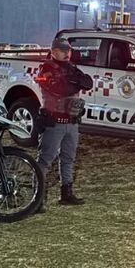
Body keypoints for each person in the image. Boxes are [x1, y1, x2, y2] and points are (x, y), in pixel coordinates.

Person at [36, 38, 93, 207]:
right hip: (54, 121)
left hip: (72, 121)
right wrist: (76, 83)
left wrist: (73, 82)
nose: (67, 53)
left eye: (68, 50)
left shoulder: (71, 67)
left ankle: (66, 193)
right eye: (63, 50)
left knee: (68, 158)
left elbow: (88, 82)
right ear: (53, 51)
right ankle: (37, 198)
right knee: (45, 159)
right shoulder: (46, 68)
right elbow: (59, 88)